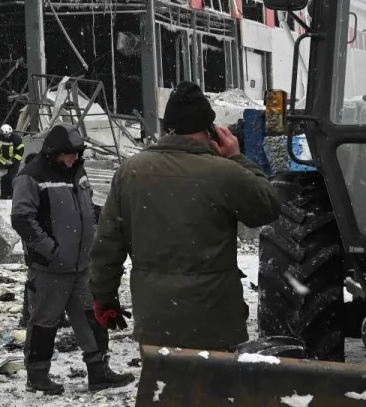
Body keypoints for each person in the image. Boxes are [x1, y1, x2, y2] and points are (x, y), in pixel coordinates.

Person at [89, 81, 282, 350]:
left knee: (164, 391)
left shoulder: (131, 171)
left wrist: (104, 298)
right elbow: (269, 206)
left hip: (156, 323)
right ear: (210, 129)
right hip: (214, 325)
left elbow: (107, 245)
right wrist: (237, 158)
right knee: (214, 391)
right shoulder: (225, 173)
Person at [11, 124, 134, 394]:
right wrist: (49, 250)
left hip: (82, 265)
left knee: (92, 318)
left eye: (77, 153)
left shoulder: (78, 172)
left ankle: (99, 372)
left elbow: (87, 208)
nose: (74, 158)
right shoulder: (31, 177)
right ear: (54, 153)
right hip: (49, 269)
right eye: (69, 154)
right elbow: (22, 219)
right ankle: (38, 376)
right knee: (44, 323)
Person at [0, 124, 25, 199]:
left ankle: (12, 196)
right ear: (2, 133)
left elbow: (20, 153)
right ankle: (3, 195)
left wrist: (13, 161)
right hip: (3, 161)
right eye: (6, 135)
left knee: (12, 178)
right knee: (4, 179)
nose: (8, 136)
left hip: (14, 162)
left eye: (9, 134)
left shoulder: (17, 138)